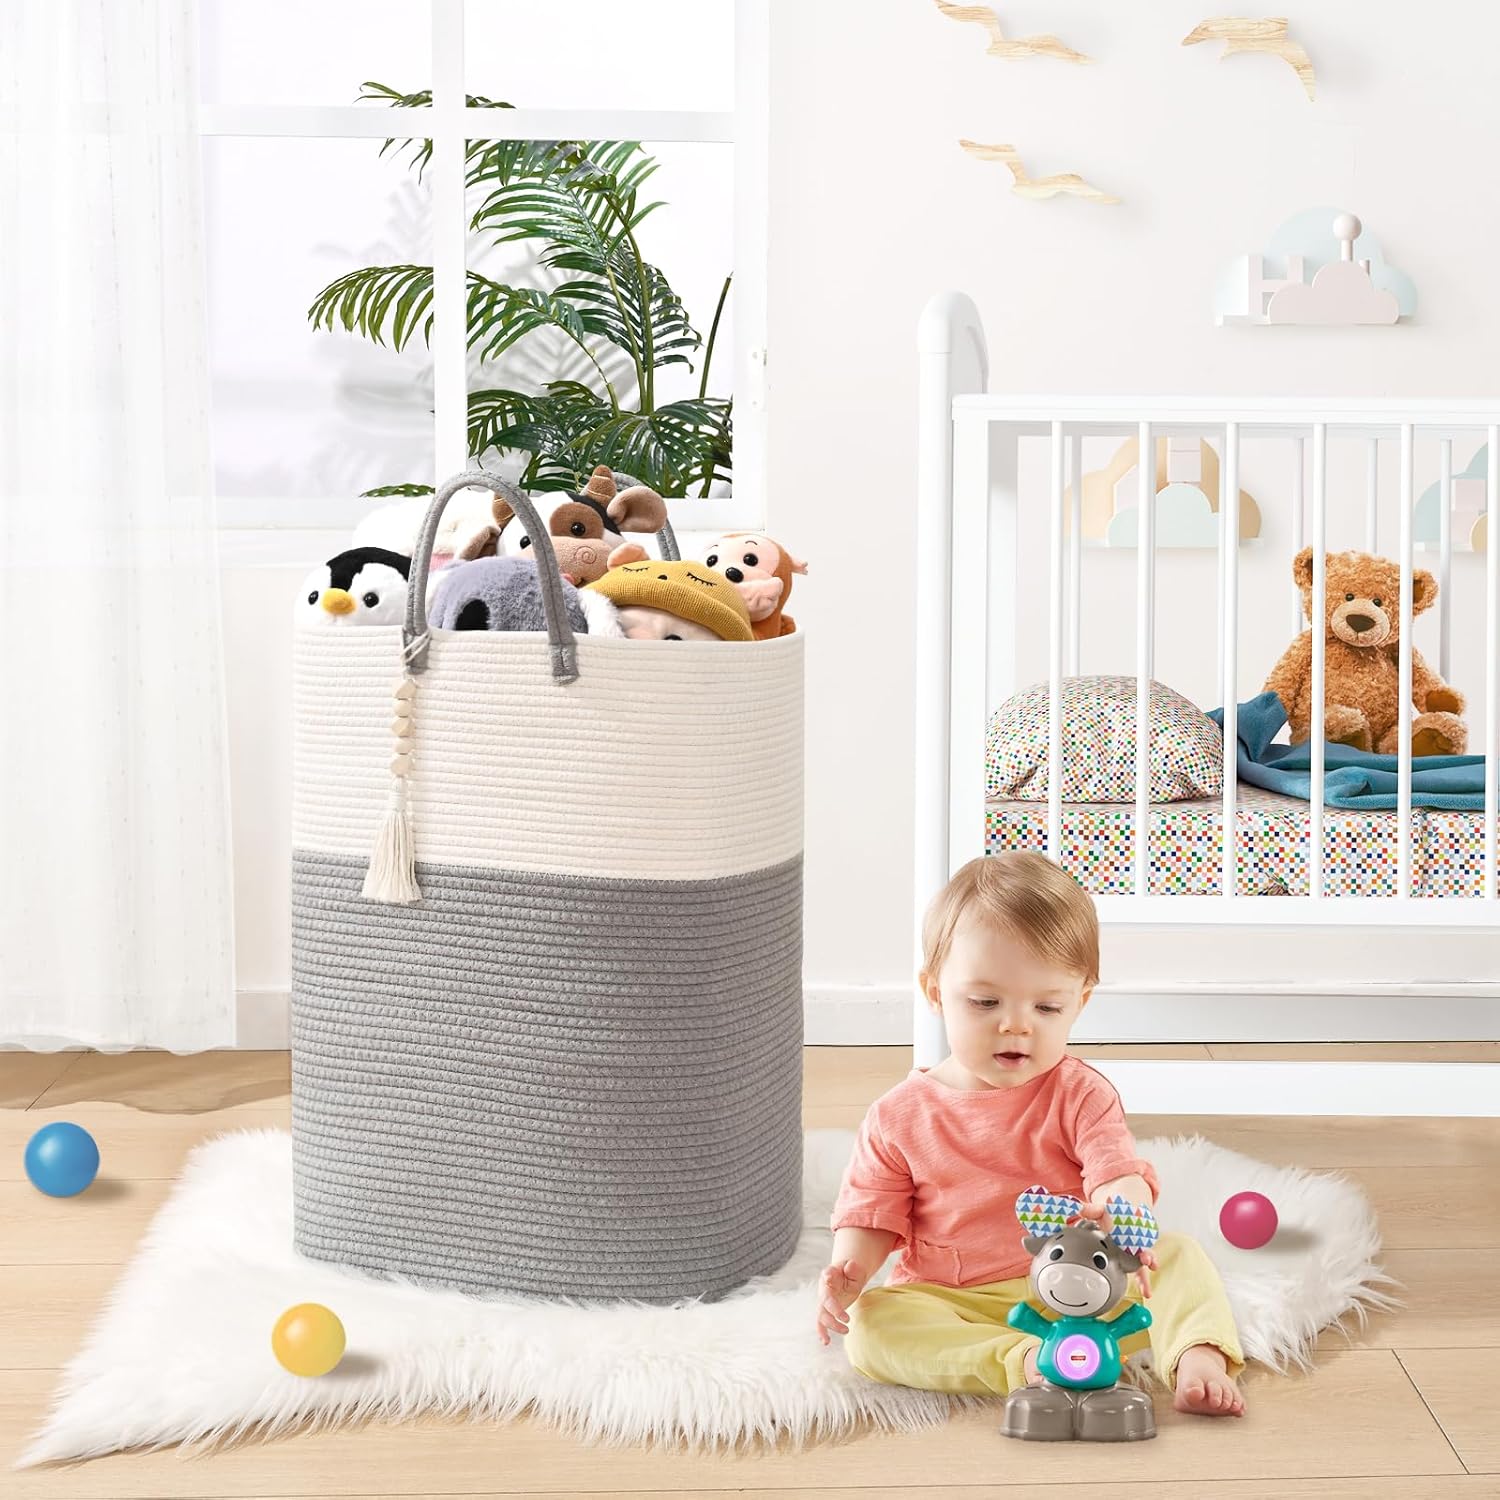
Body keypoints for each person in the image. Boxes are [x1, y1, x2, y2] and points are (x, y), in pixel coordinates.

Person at [817, 851, 1245, 1417]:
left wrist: (1124, 1216)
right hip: (954, 1297)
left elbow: (1116, 1174)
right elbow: (872, 1214)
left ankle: (1196, 1355)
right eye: (985, 1002)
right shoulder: (897, 1116)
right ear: (935, 991)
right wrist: (849, 1271)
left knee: (1178, 1255)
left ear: (1079, 1003)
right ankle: (1023, 1361)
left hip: (1081, 1283)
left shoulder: (1080, 1094)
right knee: (873, 1327)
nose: (1015, 1024)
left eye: (1046, 1007)